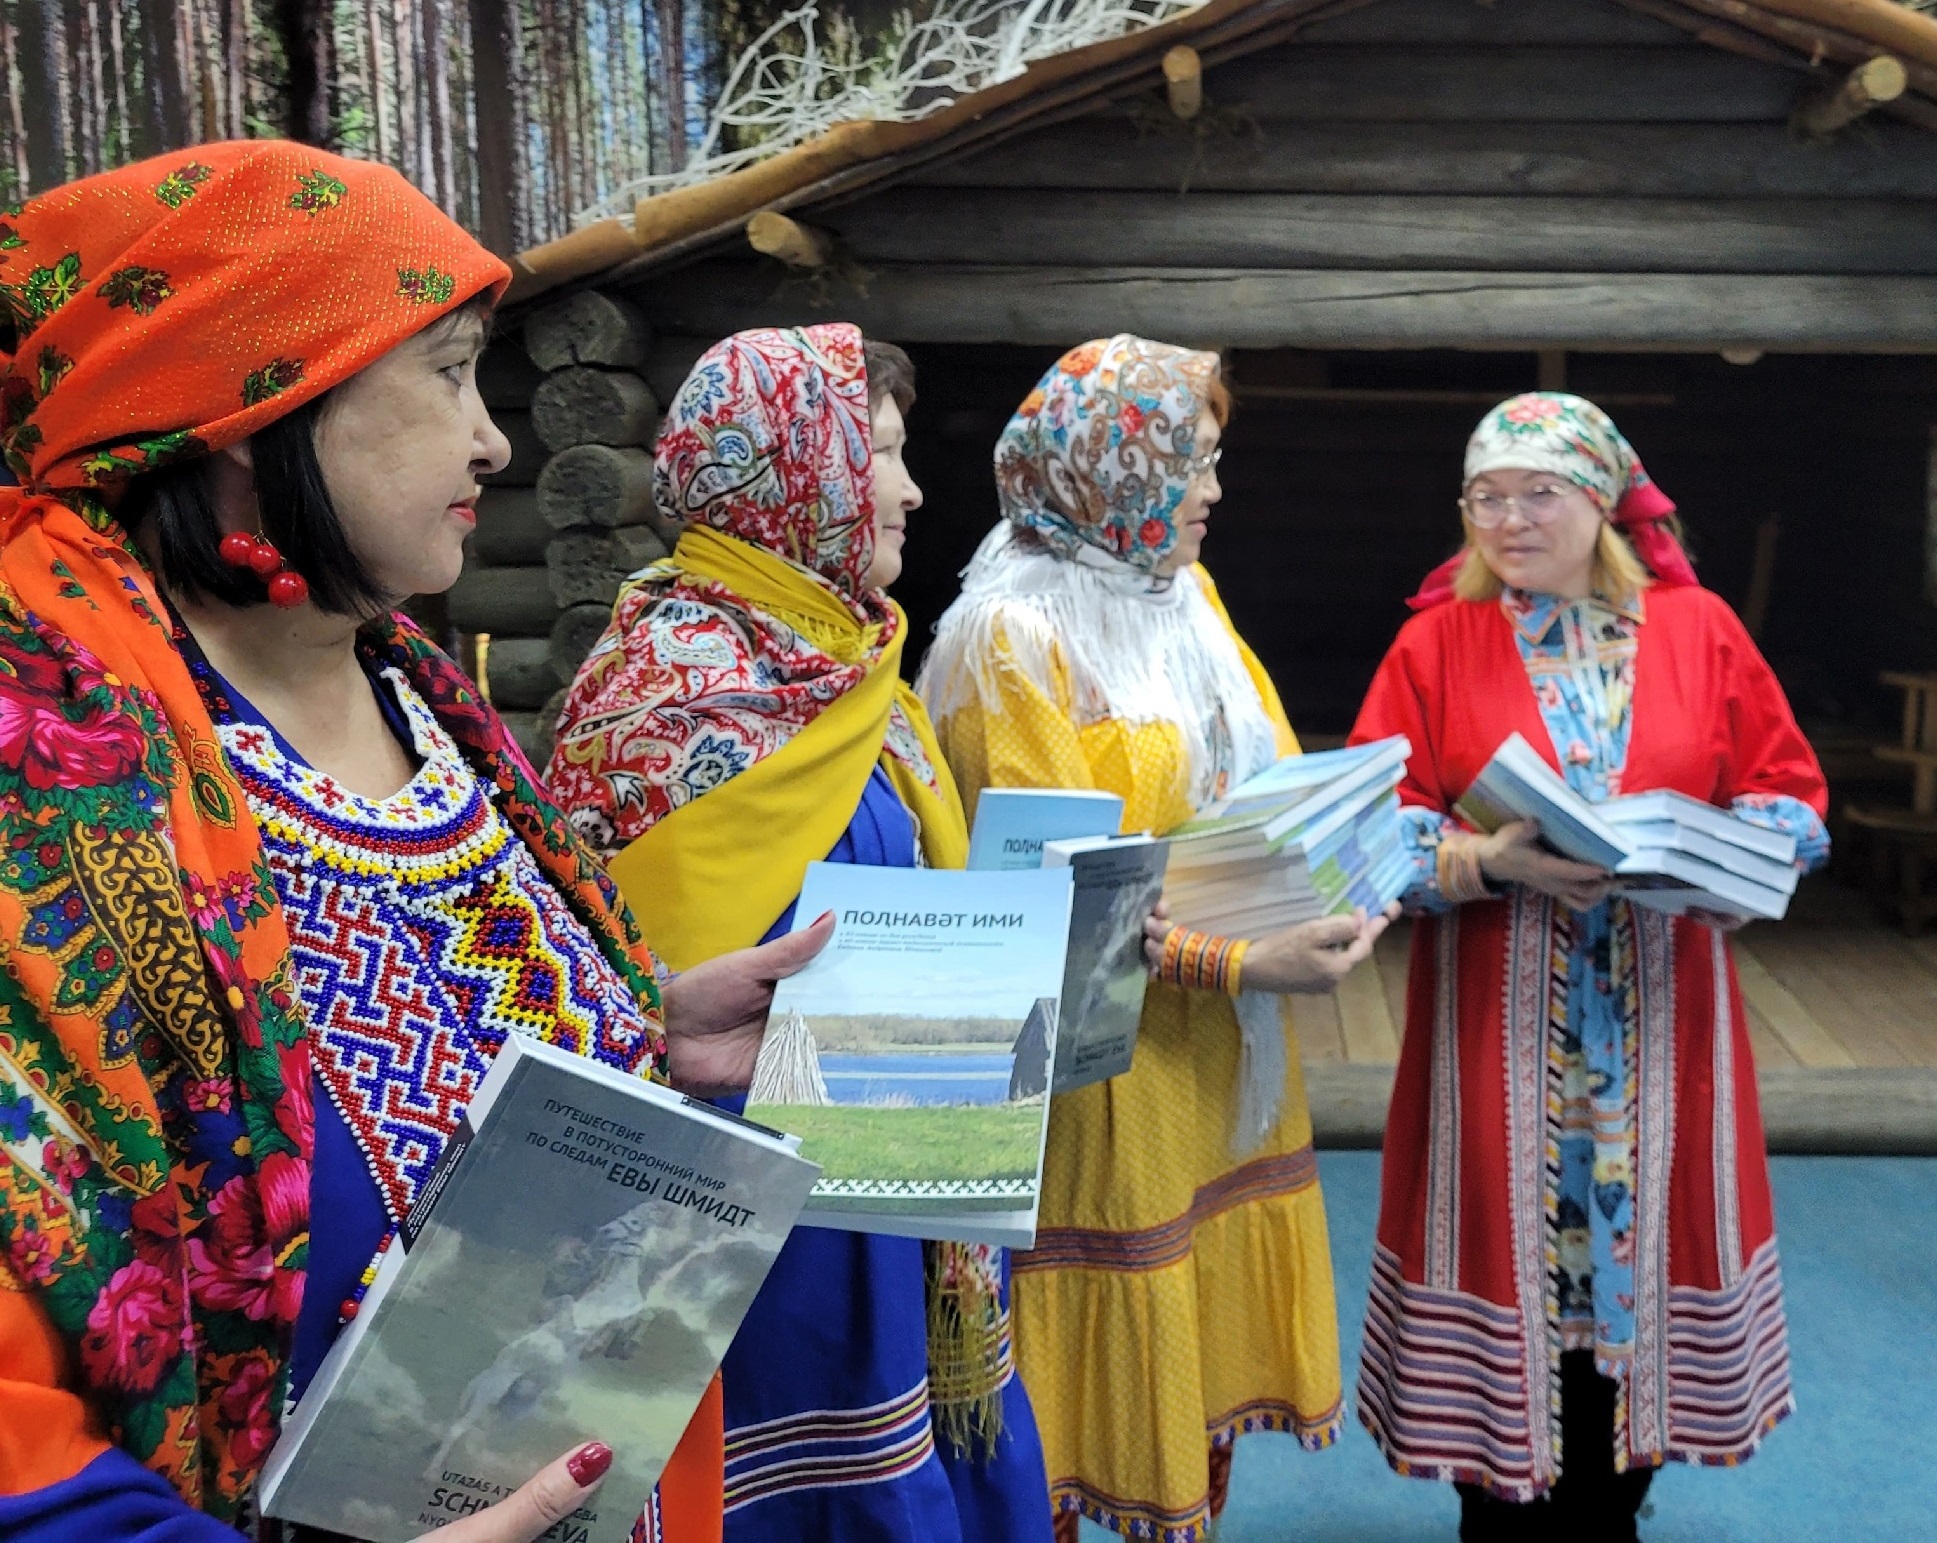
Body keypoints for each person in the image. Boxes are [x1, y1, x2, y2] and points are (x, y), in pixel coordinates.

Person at [0, 142, 825, 1543]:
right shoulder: (55, 780)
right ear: (246, 403)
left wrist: (643, 1033)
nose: (495, 439)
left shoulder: (416, 695)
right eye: (445, 373)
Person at [544, 323, 1054, 1542]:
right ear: (802, 473)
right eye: (878, 450)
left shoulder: (842, 656)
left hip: (880, 1164)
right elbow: (594, 959)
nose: (910, 486)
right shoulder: (664, 686)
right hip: (740, 1211)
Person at [917, 335, 1392, 1542]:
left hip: (1218, 1053)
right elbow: (1047, 894)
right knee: (1087, 1419)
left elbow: (1262, 782)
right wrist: (1241, 959)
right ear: (1108, 471)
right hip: (1104, 1070)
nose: (1213, 491)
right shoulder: (1005, 634)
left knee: (1195, 1410)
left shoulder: (1186, 595)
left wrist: (1346, 871)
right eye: (1192, 463)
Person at [1348, 392, 1830, 1541]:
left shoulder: (1698, 627)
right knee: (1506, 1259)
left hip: (1660, 1019)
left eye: (1536, 493)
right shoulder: (1434, 640)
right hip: (1496, 1028)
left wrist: (1722, 848)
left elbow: (1790, 793)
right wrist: (1481, 861)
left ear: (1599, 501)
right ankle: (1496, 1503)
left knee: (1632, 1273)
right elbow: (1365, 820)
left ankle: (1614, 1498)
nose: (1507, 519)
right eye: (1483, 497)